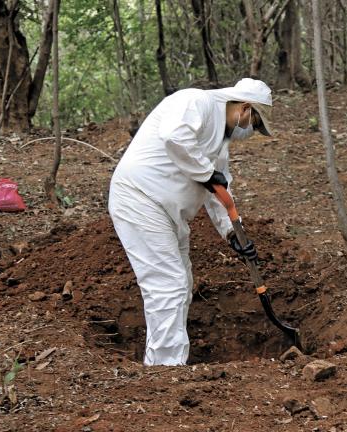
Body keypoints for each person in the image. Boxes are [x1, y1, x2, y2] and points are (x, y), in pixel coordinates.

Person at [108, 78, 274, 366]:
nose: (252, 132)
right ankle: (165, 371)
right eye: (255, 124)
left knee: (181, 281)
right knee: (168, 284)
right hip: (139, 199)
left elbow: (219, 192)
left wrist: (233, 234)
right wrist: (207, 174)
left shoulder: (220, 144)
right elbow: (175, 136)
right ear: (245, 108)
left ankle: (165, 360)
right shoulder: (196, 102)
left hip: (169, 212)